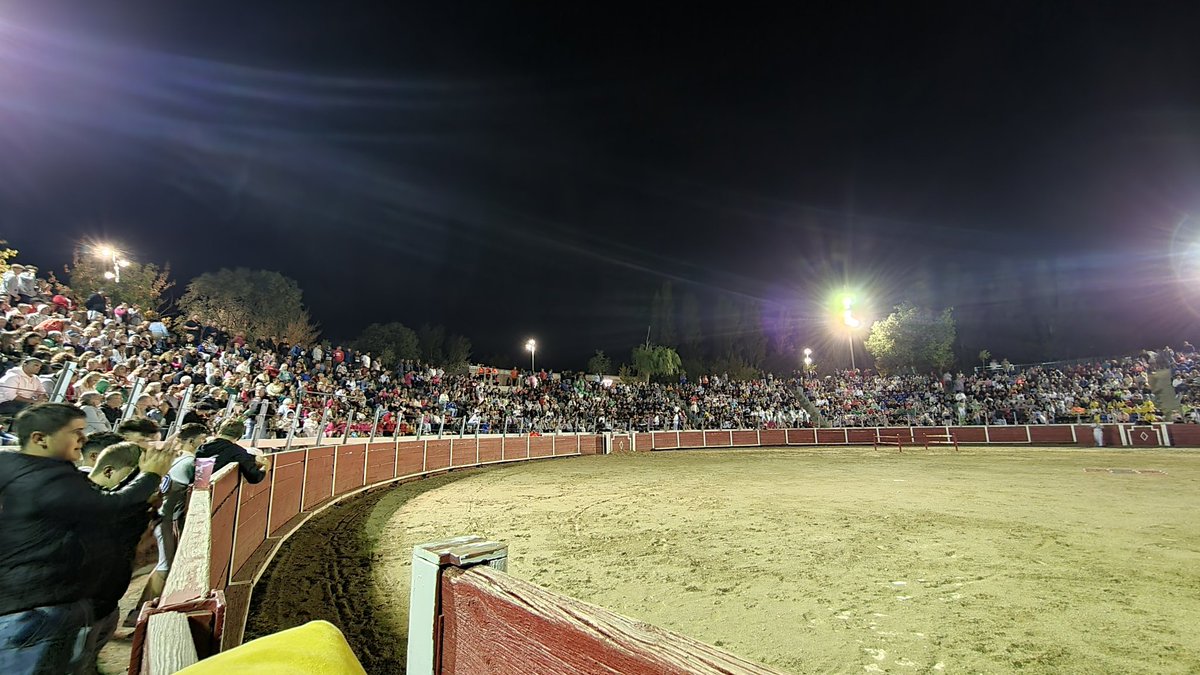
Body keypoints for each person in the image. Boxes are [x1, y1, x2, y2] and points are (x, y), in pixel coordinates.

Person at [0, 403, 173, 674]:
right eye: (76, 432)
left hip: (56, 605)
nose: (84, 438)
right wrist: (151, 475)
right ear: (39, 439)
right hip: (35, 608)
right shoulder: (41, 477)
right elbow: (111, 507)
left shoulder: (37, 473)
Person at [128, 423, 209, 626]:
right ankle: (140, 614)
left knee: (163, 564)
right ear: (192, 441)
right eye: (202, 440)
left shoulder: (175, 456)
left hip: (162, 516)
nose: (204, 444)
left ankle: (137, 613)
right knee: (166, 566)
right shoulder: (190, 462)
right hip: (170, 518)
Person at [194, 419, 270, 483]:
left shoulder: (203, 446)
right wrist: (266, 466)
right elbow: (254, 477)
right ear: (239, 437)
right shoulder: (238, 452)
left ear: (220, 431)